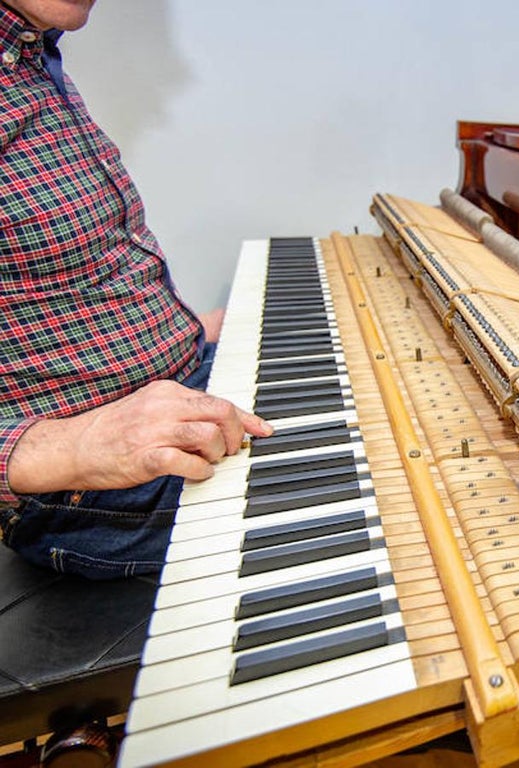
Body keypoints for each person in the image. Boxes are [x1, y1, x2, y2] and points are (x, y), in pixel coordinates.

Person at [0, 0, 273, 578]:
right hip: (88, 493)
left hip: (177, 383)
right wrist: (74, 446)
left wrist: (185, 333)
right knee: (402, 486)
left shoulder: (29, 52)